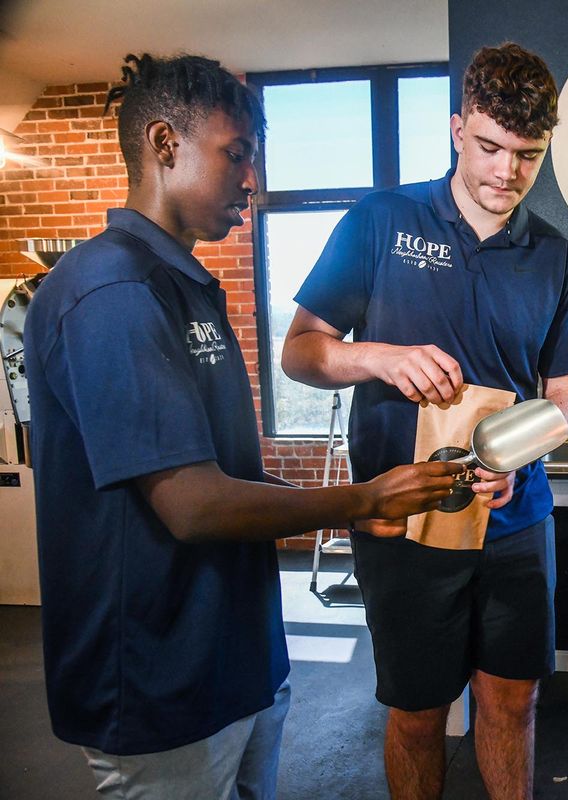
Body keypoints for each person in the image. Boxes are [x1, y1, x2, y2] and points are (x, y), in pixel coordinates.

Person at [23, 53, 459, 800]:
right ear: (166, 144)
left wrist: (359, 509)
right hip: (161, 684)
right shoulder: (109, 294)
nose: (252, 180)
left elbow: (230, 472)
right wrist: (362, 500)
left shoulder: (187, 290)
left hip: (240, 661)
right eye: (238, 154)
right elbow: (193, 504)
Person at [281, 42, 568, 800]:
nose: (505, 173)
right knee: (419, 714)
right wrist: (380, 358)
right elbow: (299, 352)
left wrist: (516, 455)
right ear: (458, 129)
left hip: (516, 521)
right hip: (403, 517)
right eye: (489, 147)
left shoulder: (556, 258)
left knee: (511, 701)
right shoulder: (382, 220)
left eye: (527, 155)